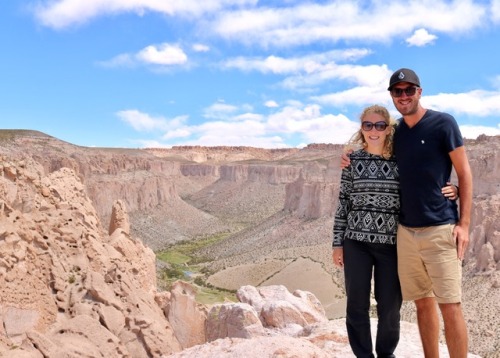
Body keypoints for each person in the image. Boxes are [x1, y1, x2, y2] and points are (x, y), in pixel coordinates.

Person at [341, 68, 472, 358]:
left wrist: (464, 221)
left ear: (419, 92)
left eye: (409, 90)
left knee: (450, 305)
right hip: (405, 234)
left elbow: (464, 172)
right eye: (397, 91)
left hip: (440, 229)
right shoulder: (395, 131)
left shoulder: (443, 123)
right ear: (392, 95)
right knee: (423, 304)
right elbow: (372, 144)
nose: (403, 96)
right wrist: (348, 156)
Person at [333, 104, 402, 358]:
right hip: (356, 243)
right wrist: (337, 243)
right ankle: (363, 355)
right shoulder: (352, 161)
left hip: (392, 245)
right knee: (356, 304)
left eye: (380, 125)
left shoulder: (400, 160)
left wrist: (455, 190)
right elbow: (344, 202)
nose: (374, 130)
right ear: (362, 129)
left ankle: (386, 354)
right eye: (368, 125)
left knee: (390, 306)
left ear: (388, 129)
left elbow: (422, 184)